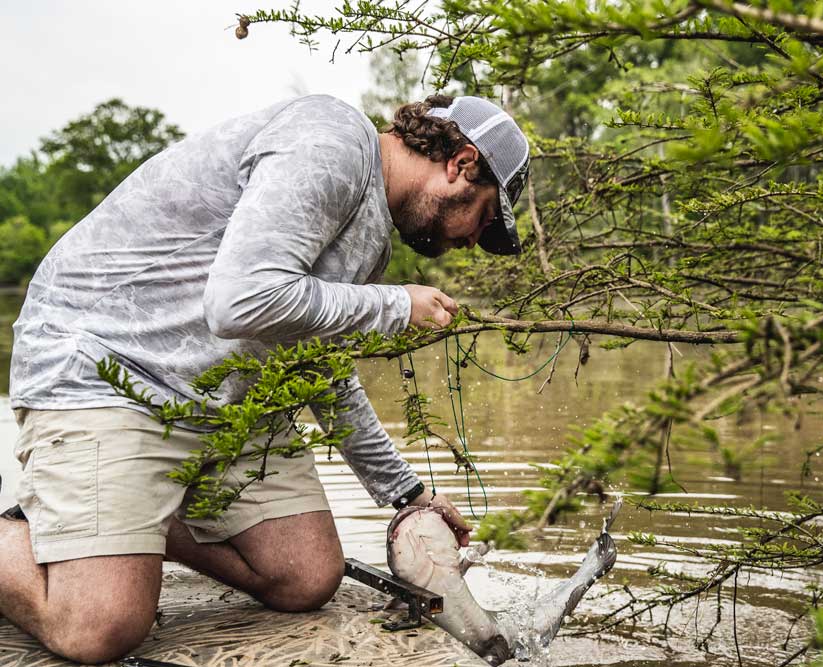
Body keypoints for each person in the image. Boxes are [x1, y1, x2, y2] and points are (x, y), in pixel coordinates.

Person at [0, 93, 530, 663]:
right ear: (462, 164)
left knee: (304, 576)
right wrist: (393, 305)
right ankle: (52, 533)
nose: (473, 240)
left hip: (219, 406)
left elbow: (318, 368)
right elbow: (238, 302)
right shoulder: (330, 139)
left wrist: (405, 494)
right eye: (484, 217)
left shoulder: (371, 236)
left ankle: (128, 521)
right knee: (100, 629)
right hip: (107, 376)